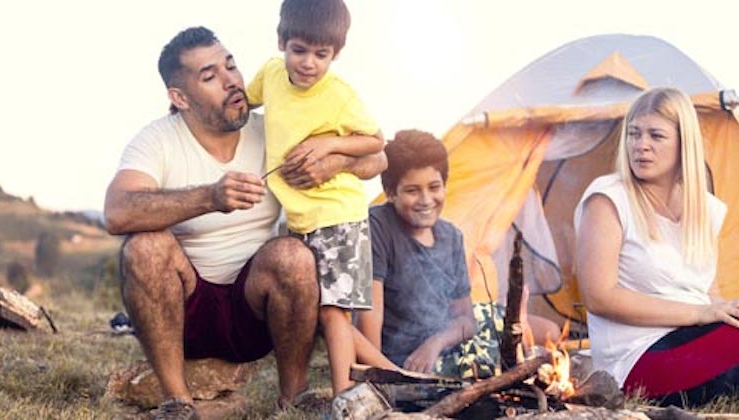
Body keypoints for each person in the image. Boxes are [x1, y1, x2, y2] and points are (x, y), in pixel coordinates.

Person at [104, 27, 387, 418]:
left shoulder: (272, 129)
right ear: (179, 98)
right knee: (144, 247)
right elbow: (118, 211)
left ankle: (294, 397)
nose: (231, 81)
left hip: (255, 312)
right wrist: (210, 197)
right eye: (210, 76)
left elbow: (378, 160)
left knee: (293, 254)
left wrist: (334, 160)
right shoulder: (157, 140)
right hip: (184, 312)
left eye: (231, 65)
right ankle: (176, 403)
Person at [574, 86, 739, 406]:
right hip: (640, 361)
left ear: (683, 144)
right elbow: (599, 297)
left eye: (655, 136)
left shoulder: (703, 207)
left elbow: (703, 290)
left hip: (694, 340)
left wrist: (726, 310)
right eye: (634, 134)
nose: (641, 145)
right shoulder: (608, 199)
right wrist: (702, 313)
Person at [245, 0, 389, 394]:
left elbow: (375, 140)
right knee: (317, 311)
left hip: (338, 214)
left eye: (321, 55)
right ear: (281, 43)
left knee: (333, 314)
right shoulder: (271, 75)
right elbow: (245, 101)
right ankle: (388, 376)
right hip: (299, 219)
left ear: (335, 54)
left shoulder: (338, 95)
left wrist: (328, 143)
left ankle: (344, 395)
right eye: (300, 51)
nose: (309, 63)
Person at [358, 130, 560, 379]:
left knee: (550, 332)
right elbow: (369, 319)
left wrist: (435, 343)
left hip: (443, 341)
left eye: (434, 187)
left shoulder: (450, 236)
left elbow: (465, 320)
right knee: (493, 364)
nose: (426, 200)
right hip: (405, 356)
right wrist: (383, 376)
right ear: (390, 192)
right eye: (412, 190)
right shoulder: (378, 227)